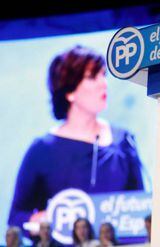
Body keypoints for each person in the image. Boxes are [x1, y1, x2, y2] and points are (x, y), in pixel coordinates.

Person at [8, 45, 145, 232]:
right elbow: (16, 217)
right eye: (92, 77)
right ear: (69, 91)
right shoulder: (41, 150)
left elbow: (140, 209)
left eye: (103, 75)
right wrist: (43, 219)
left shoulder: (123, 141)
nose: (103, 83)